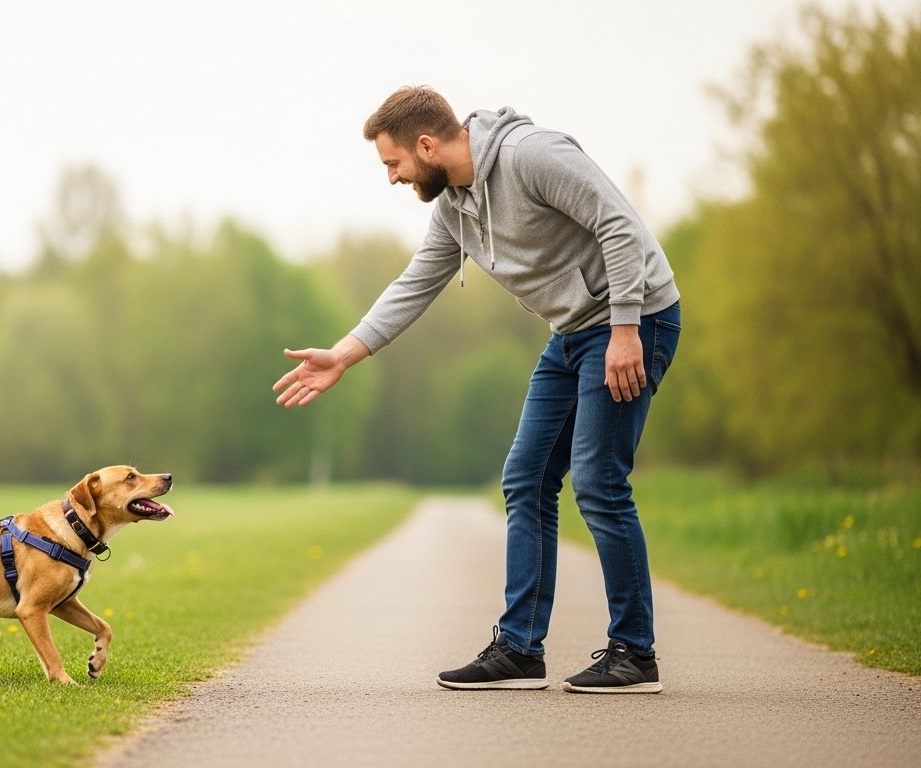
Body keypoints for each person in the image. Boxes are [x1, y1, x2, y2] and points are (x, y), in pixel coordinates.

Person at [272, 86, 681, 694]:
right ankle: (519, 650)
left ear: (427, 145)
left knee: (598, 480)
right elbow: (415, 284)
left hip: (634, 321)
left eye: (394, 163)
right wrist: (344, 354)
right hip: (571, 333)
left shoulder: (532, 156)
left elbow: (618, 224)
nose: (391, 178)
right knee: (526, 478)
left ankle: (635, 652)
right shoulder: (454, 209)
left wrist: (626, 328)